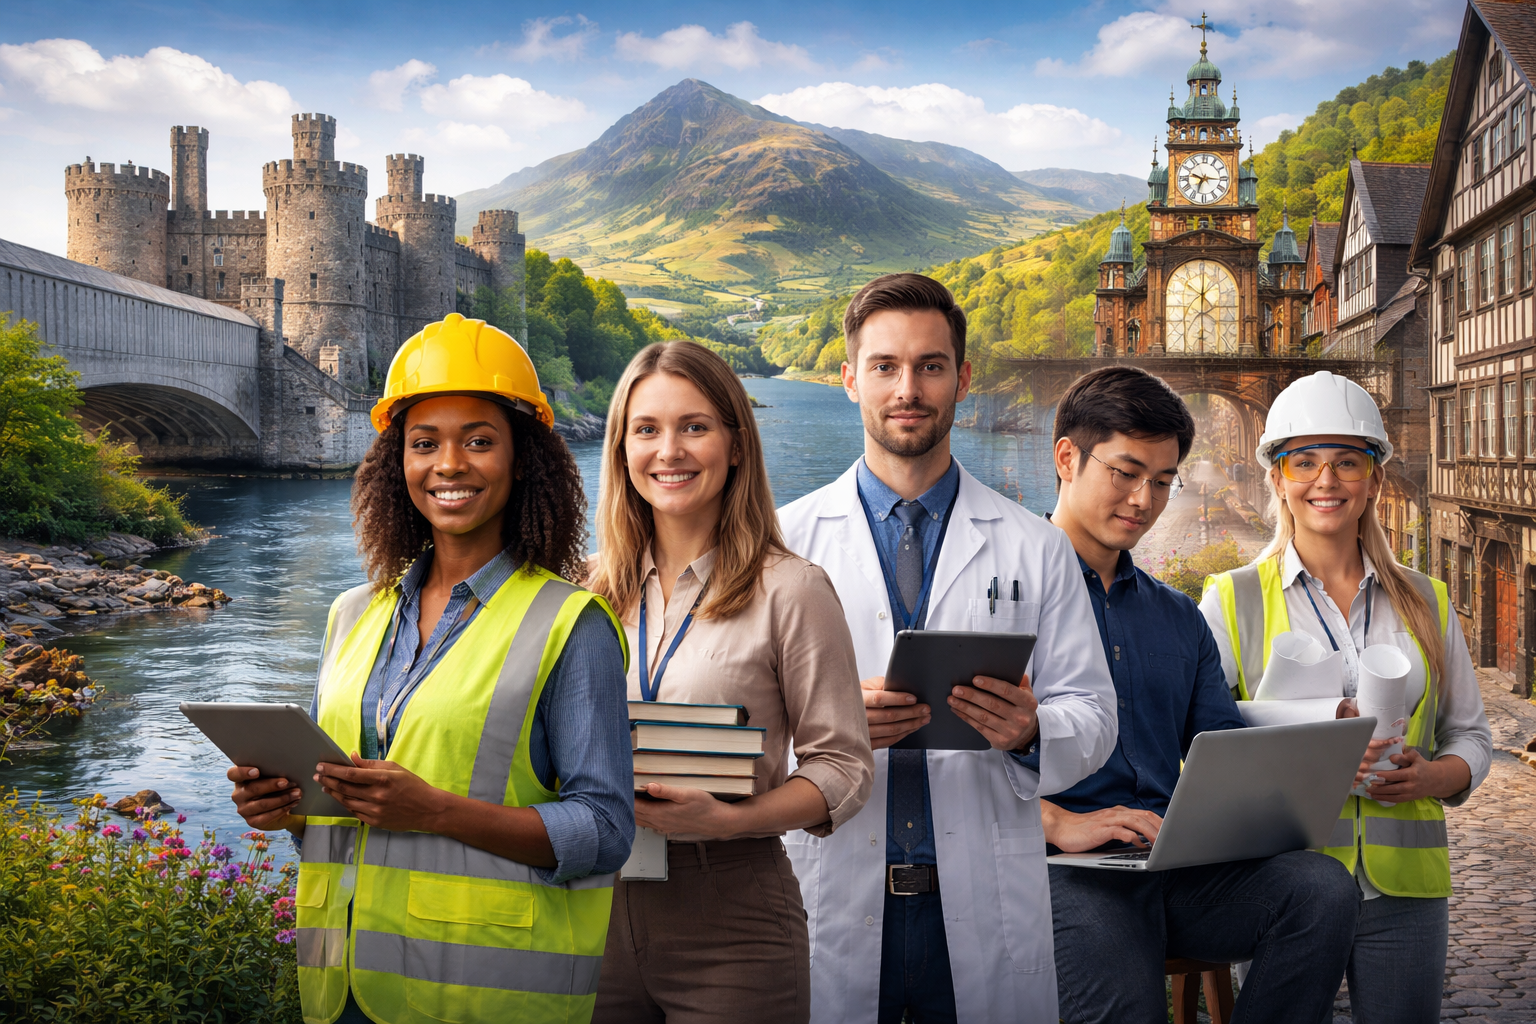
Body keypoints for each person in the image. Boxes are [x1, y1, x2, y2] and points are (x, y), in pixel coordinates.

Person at [227, 312, 635, 1024]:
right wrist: (287, 809)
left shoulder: (572, 625)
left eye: (479, 441)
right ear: (398, 463)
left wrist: (437, 811)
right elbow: (346, 816)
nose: (448, 464)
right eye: (424, 443)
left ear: (522, 460)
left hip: (488, 999)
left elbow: (604, 833)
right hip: (342, 992)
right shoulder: (352, 615)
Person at [776, 274, 1118, 1024]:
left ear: (962, 379)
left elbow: (1093, 719)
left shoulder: (1037, 548)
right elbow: (738, 732)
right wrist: (827, 734)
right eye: (885, 366)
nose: (909, 388)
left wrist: (1030, 732)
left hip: (981, 905)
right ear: (848, 379)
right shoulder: (781, 543)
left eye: (931, 366)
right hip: (828, 897)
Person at [1037, 366, 1361, 1024]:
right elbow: (947, 766)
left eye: (1162, 482)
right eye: (1125, 474)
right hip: (1059, 871)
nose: (1143, 501)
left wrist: (1304, 759)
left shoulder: (1178, 618)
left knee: (1321, 888)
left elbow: (1220, 743)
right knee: (1129, 1003)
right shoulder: (1001, 596)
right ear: (1067, 458)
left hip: (1172, 866)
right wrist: (1055, 823)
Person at [587, 340, 873, 1024]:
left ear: (736, 445)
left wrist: (730, 819)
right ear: (622, 450)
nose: (670, 451)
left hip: (732, 915)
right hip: (588, 908)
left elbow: (843, 766)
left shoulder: (793, 590)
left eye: (695, 427)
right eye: (647, 430)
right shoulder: (582, 589)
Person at [1201, 370, 1492, 1024]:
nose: (1325, 482)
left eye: (1347, 463)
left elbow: (1471, 735)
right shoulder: (1232, 598)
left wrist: (1435, 775)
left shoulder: (1427, 600)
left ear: (1375, 480)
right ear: (1276, 478)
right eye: (1303, 462)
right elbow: (1203, 741)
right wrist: (1310, 736)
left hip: (1407, 892)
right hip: (1285, 886)